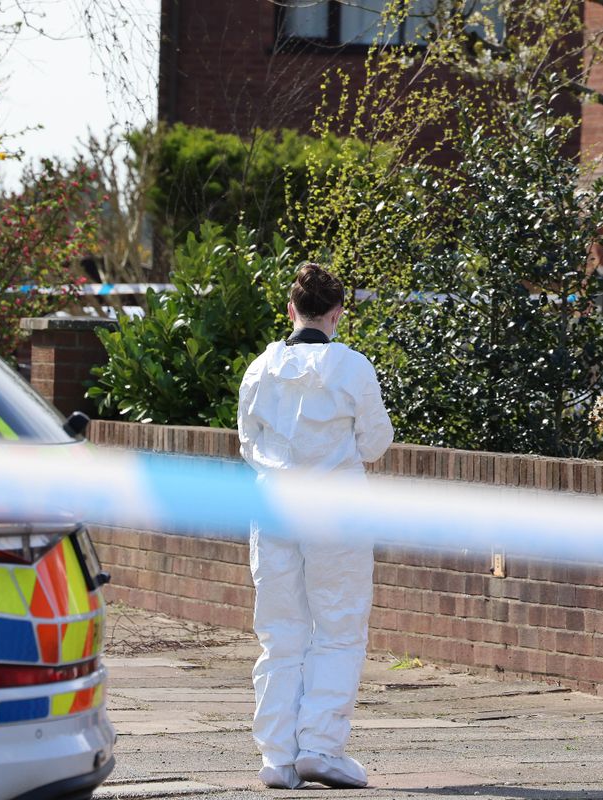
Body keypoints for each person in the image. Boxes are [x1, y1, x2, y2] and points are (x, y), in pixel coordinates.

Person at [236, 263, 394, 790]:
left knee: (280, 633)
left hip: (274, 506)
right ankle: (320, 747)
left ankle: (277, 757)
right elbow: (375, 444)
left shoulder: (259, 369)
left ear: (290, 311)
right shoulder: (353, 369)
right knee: (339, 626)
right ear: (337, 313)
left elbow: (246, 442)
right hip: (337, 508)